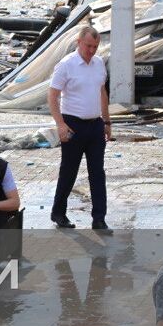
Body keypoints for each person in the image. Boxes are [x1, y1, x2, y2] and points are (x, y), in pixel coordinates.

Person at [48, 26, 111, 230]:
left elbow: (102, 92)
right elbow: (53, 96)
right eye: (88, 46)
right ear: (79, 42)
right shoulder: (66, 64)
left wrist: (107, 121)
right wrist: (60, 124)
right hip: (72, 123)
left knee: (97, 173)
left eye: (95, 46)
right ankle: (59, 213)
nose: (91, 50)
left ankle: (99, 218)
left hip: (95, 125)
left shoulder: (99, 63)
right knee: (69, 170)